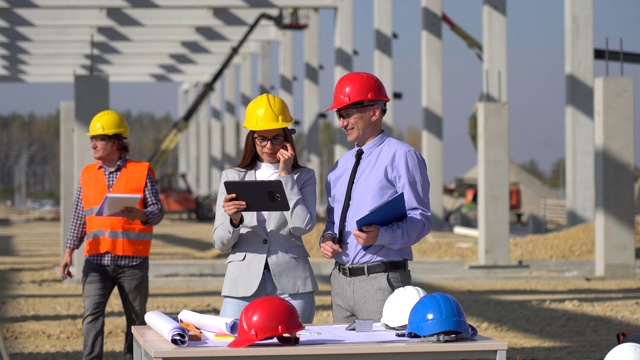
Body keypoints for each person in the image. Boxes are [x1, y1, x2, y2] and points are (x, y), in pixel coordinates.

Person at [319, 71, 432, 323]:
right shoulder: (341, 166)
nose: (342, 123)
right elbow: (332, 220)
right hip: (341, 282)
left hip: (380, 283)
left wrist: (381, 235)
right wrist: (327, 238)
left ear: (374, 112)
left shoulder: (402, 157)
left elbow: (421, 219)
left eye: (347, 114)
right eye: (339, 115)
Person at [59, 109, 165, 360]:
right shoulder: (87, 174)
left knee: (136, 321)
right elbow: (78, 217)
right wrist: (68, 253)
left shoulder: (141, 171)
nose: (93, 143)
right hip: (96, 261)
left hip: (132, 263)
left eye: (100, 138)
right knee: (92, 316)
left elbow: (158, 212)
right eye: (92, 139)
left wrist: (140, 216)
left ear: (117, 142)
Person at [213, 93, 318, 323]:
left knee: (292, 349)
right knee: (232, 347)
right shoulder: (232, 177)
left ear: (287, 138)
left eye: (276, 138)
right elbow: (220, 242)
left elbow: (302, 226)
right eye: (262, 139)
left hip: (292, 283)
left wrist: (285, 176)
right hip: (242, 283)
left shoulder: (303, 177)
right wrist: (234, 221)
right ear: (252, 139)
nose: (269, 146)